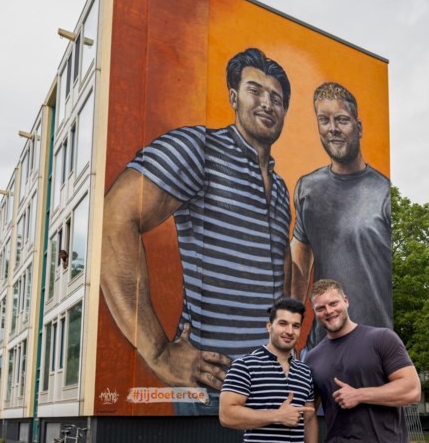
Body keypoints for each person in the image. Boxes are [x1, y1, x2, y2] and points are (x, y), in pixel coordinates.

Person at [100, 48, 293, 413]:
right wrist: (157, 351)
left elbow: (281, 273)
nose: (268, 103)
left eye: (277, 98)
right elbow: (115, 217)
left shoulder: (282, 190)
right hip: (210, 398)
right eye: (256, 90)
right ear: (234, 96)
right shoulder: (199, 148)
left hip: (270, 394)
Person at [290, 82, 392, 348]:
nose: (332, 128)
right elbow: (300, 260)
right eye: (324, 120)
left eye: (342, 120)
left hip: (374, 346)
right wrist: (290, 327)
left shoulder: (385, 192)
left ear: (358, 128)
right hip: (320, 347)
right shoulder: (306, 188)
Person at [304, 279, 420, 443]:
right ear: (315, 312)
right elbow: (308, 413)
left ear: (346, 301)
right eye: (321, 308)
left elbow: (412, 390)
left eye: (333, 303)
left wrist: (359, 395)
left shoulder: (382, 338)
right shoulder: (311, 358)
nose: (329, 311)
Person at [220, 298, 317, 443]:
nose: (289, 331)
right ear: (269, 326)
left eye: (296, 326)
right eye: (283, 324)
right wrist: (277, 415)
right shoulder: (245, 366)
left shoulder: (305, 372)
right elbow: (226, 415)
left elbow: (308, 420)